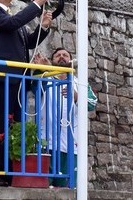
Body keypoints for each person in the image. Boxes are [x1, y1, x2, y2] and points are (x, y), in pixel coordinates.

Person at [0, 0, 53, 187]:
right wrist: (36, 4)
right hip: (2, 77)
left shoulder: (10, 16)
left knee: (14, 126)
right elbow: (12, 24)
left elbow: (27, 42)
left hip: (17, 79)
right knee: (0, 124)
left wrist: (43, 27)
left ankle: (9, 170)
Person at [33, 47, 97, 188]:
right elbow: (34, 88)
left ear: (71, 60)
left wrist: (75, 95)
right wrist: (43, 70)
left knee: (68, 189)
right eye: (58, 55)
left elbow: (92, 104)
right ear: (52, 60)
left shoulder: (80, 83)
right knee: (44, 188)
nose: (62, 57)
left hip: (71, 145)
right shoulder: (45, 78)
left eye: (65, 55)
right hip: (47, 143)